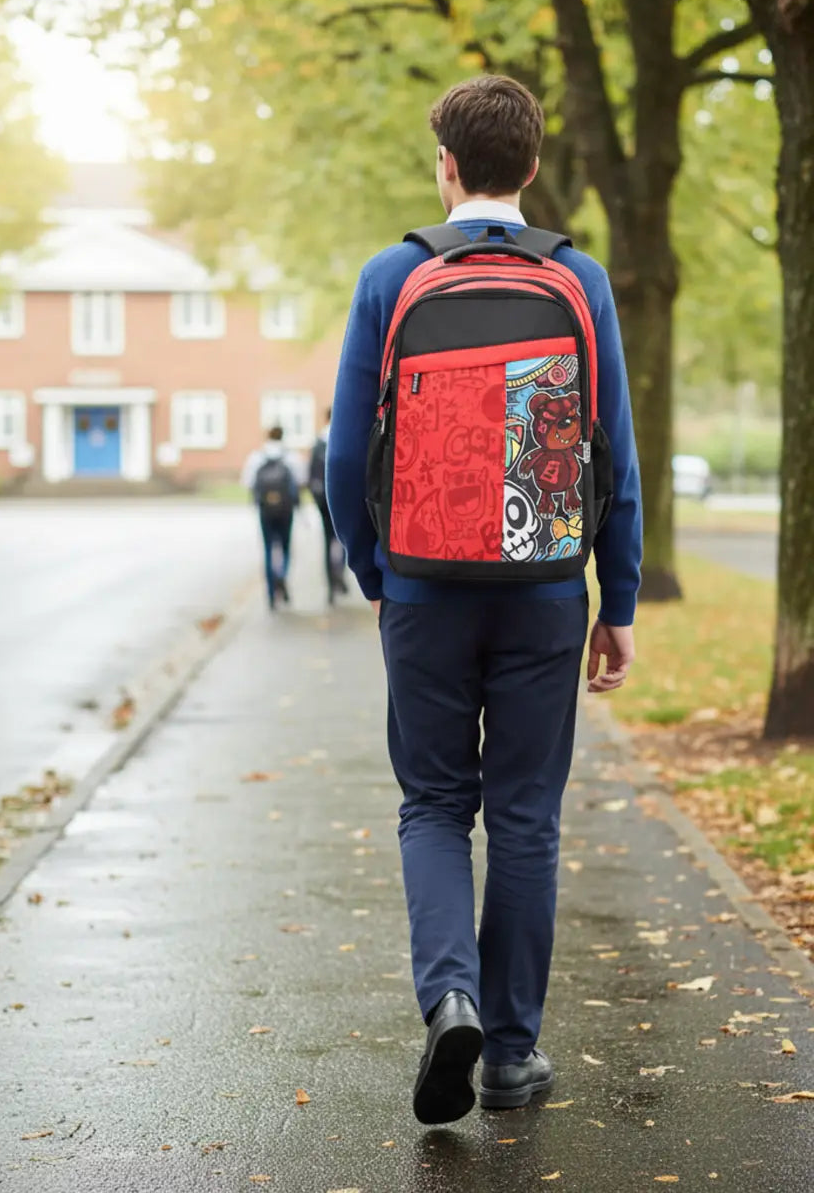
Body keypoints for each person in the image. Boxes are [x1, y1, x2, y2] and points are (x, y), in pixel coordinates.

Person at [326, 75, 642, 1125]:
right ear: (534, 167)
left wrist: (378, 574)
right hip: (545, 584)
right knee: (524, 816)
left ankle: (448, 996)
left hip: (424, 582)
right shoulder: (580, 278)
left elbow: (344, 457)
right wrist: (618, 599)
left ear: (446, 166)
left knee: (432, 804)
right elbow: (614, 455)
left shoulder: (391, 275)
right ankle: (508, 1054)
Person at [241, 425, 302, 609]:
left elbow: (247, 482)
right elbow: (300, 480)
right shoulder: (292, 457)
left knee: (268, 548)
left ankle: (270, 593)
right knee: (285, 546)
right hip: (285, 510)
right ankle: (281, 575)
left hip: (265, 509)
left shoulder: (256, 457)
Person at [307, 408, 349, 605]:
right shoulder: (343, 438)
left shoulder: (318, 443)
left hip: (323, 500)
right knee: (343, 539)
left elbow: (311, 475)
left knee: (327, 540)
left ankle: (331, 583)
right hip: (342, 499)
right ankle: (339, 572)